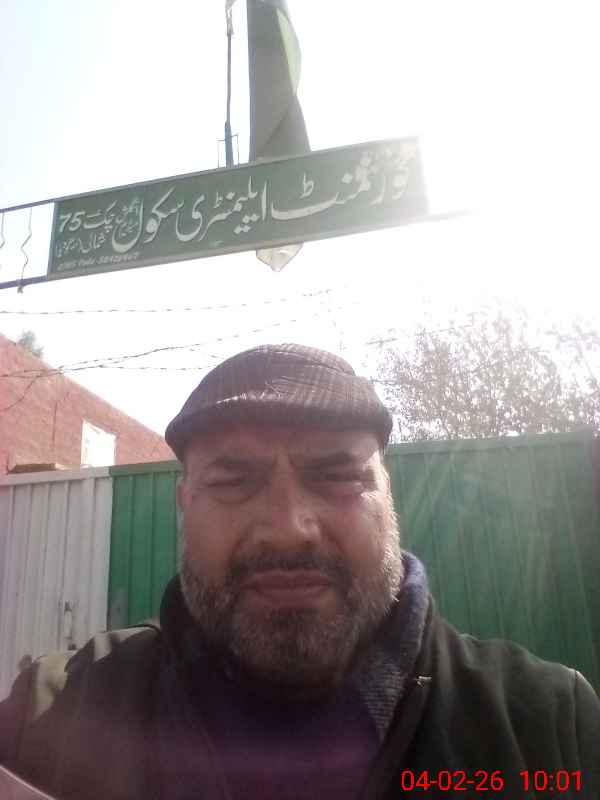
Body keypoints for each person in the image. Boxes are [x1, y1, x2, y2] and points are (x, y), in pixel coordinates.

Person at [0, 343, 598, 800]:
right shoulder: (51, 714)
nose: (288, 528)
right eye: (234, 481)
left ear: (388, 494)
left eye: (335, 476)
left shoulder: (549, 727)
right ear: (184, 504)